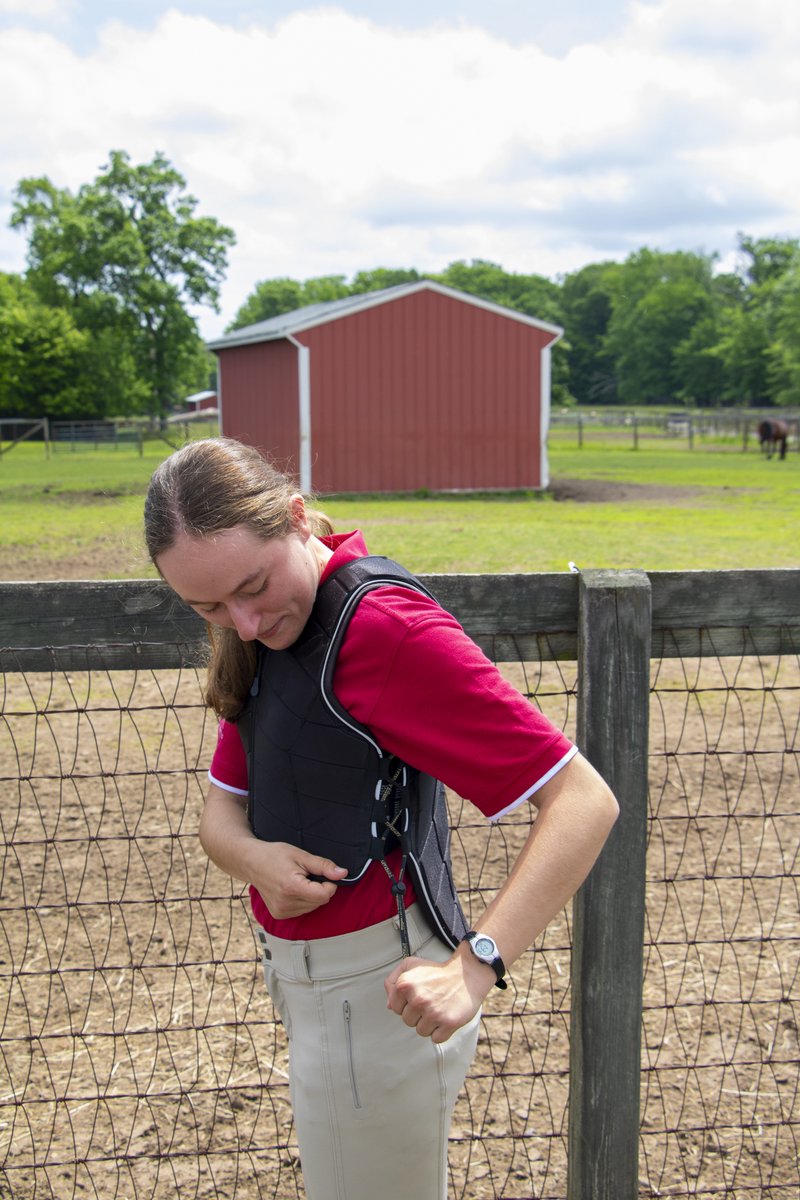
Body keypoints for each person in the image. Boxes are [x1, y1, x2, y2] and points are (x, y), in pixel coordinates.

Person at [144, 437, 618, 1200]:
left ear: (297, 519)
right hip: (313, 989)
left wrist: (476, 965)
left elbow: (585, 800)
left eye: (252, 587)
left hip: (376, 998)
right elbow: (221, 814)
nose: (244, 622)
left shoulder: (382, 632)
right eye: (207, 608)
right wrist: (252, 860)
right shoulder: (277, 626)